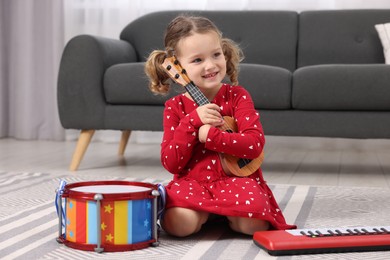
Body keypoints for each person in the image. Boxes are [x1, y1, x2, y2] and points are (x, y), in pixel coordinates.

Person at [144, 15, 296, 237]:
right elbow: (171, 163)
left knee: (253, 225)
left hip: (236, 181)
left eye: (216, 54)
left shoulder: (237, 96)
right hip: (193, 183)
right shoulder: (175, 107)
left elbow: (254, 145)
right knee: (177, 225)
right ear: (178, 68)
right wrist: (193, 122)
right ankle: (211, 214)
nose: (210, 65)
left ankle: (222, 214)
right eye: (197, 60)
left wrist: (212, 136)